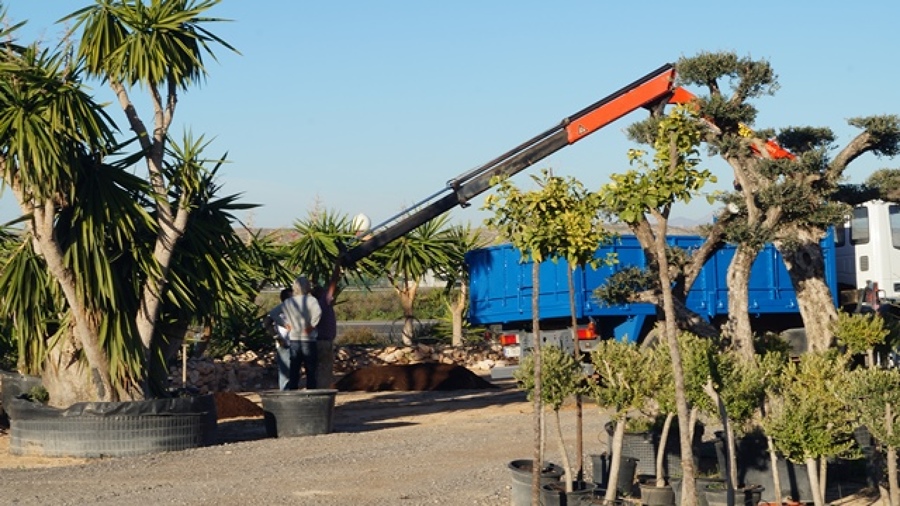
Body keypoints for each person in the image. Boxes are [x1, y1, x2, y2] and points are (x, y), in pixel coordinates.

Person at [281, 276, 322, 389]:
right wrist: (312, 326)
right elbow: (317, 313)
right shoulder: (311, 300)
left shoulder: (289, 301)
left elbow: (274, 313)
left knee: (294, 369)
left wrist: (285, 324)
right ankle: (311, 392)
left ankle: (292, 391)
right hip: (308, 339)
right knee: (311, 370)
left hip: (294, 338)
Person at [263, 288, 293, 390]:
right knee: (285, 373)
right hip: (284, 343)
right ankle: (285, 394)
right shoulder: (279, 309)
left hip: (295, 342)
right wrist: (277, 337)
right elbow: (267, 322)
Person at [312, 281, 337, 389]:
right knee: (325, 369)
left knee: (317, 369)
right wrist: (338, 266)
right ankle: (323, 390)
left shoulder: (312, 305)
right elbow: (333, 284)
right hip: (324, 340)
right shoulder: (324, 302)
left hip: (316, 340)